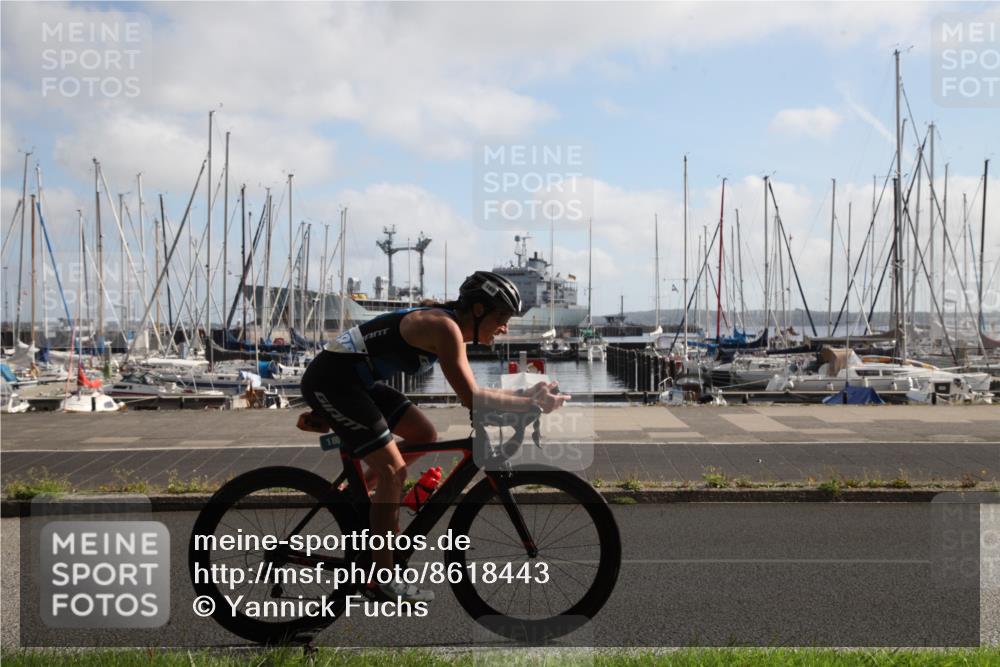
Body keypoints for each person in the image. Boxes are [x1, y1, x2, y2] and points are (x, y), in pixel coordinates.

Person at [299, 270, 569, 603]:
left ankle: (364, 500)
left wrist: (527, 394)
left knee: (423, 433)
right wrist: (529, 400)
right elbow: (472, 397)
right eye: (501, 317)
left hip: (356, 384)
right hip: (333, 383)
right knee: (394, 471)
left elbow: (475, 393)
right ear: (478, 310)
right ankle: (380, 582)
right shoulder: (444, 328)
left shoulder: (448, 325)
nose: (505, 327)